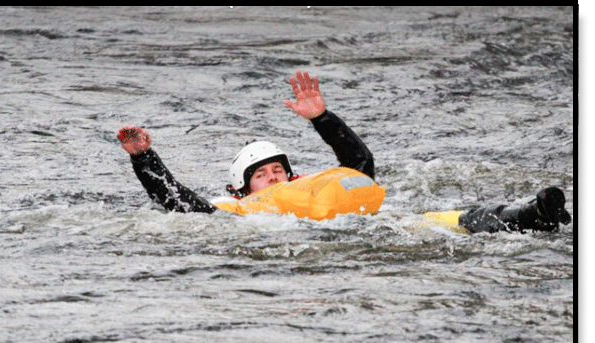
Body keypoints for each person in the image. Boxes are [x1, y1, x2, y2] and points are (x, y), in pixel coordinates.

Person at [117, 70, 570, 234]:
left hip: (368, 226)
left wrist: (322, 118)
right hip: (320, 243)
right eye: (263, 175)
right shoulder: (238, 213)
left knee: (448, 221)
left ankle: (531, 214)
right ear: (241, 188)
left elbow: (361, 168)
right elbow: (182, 205)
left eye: (279, 170)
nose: (275, 178)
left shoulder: (318, 187)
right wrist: (145, 159)